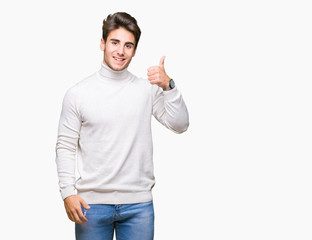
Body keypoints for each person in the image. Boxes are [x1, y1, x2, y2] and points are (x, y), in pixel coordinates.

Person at [55, 12, 189, 240]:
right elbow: (65, 145)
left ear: (135, 51)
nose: (120, 51)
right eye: (114, 42)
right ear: (102, 43)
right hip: (91, 206)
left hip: (138, 206)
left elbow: (180, 125)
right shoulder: (78, 93)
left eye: (128, 45)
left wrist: (169, 86)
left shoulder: (147, 89)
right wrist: (67, 193)